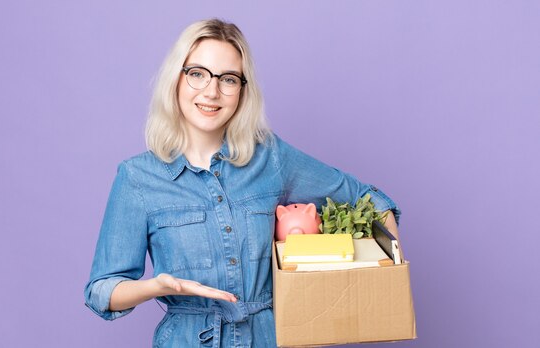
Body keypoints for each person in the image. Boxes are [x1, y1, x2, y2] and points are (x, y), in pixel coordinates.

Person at [84, 18, 401, 348]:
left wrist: (383, 282)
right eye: (197, 73)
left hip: (268, 338)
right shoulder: (137, 178)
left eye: (228, 79)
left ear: (242, 91)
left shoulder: (270, 158)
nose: (212, 91)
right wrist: (159, 286)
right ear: (176, 79)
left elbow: (366, 199)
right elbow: (102, 290)